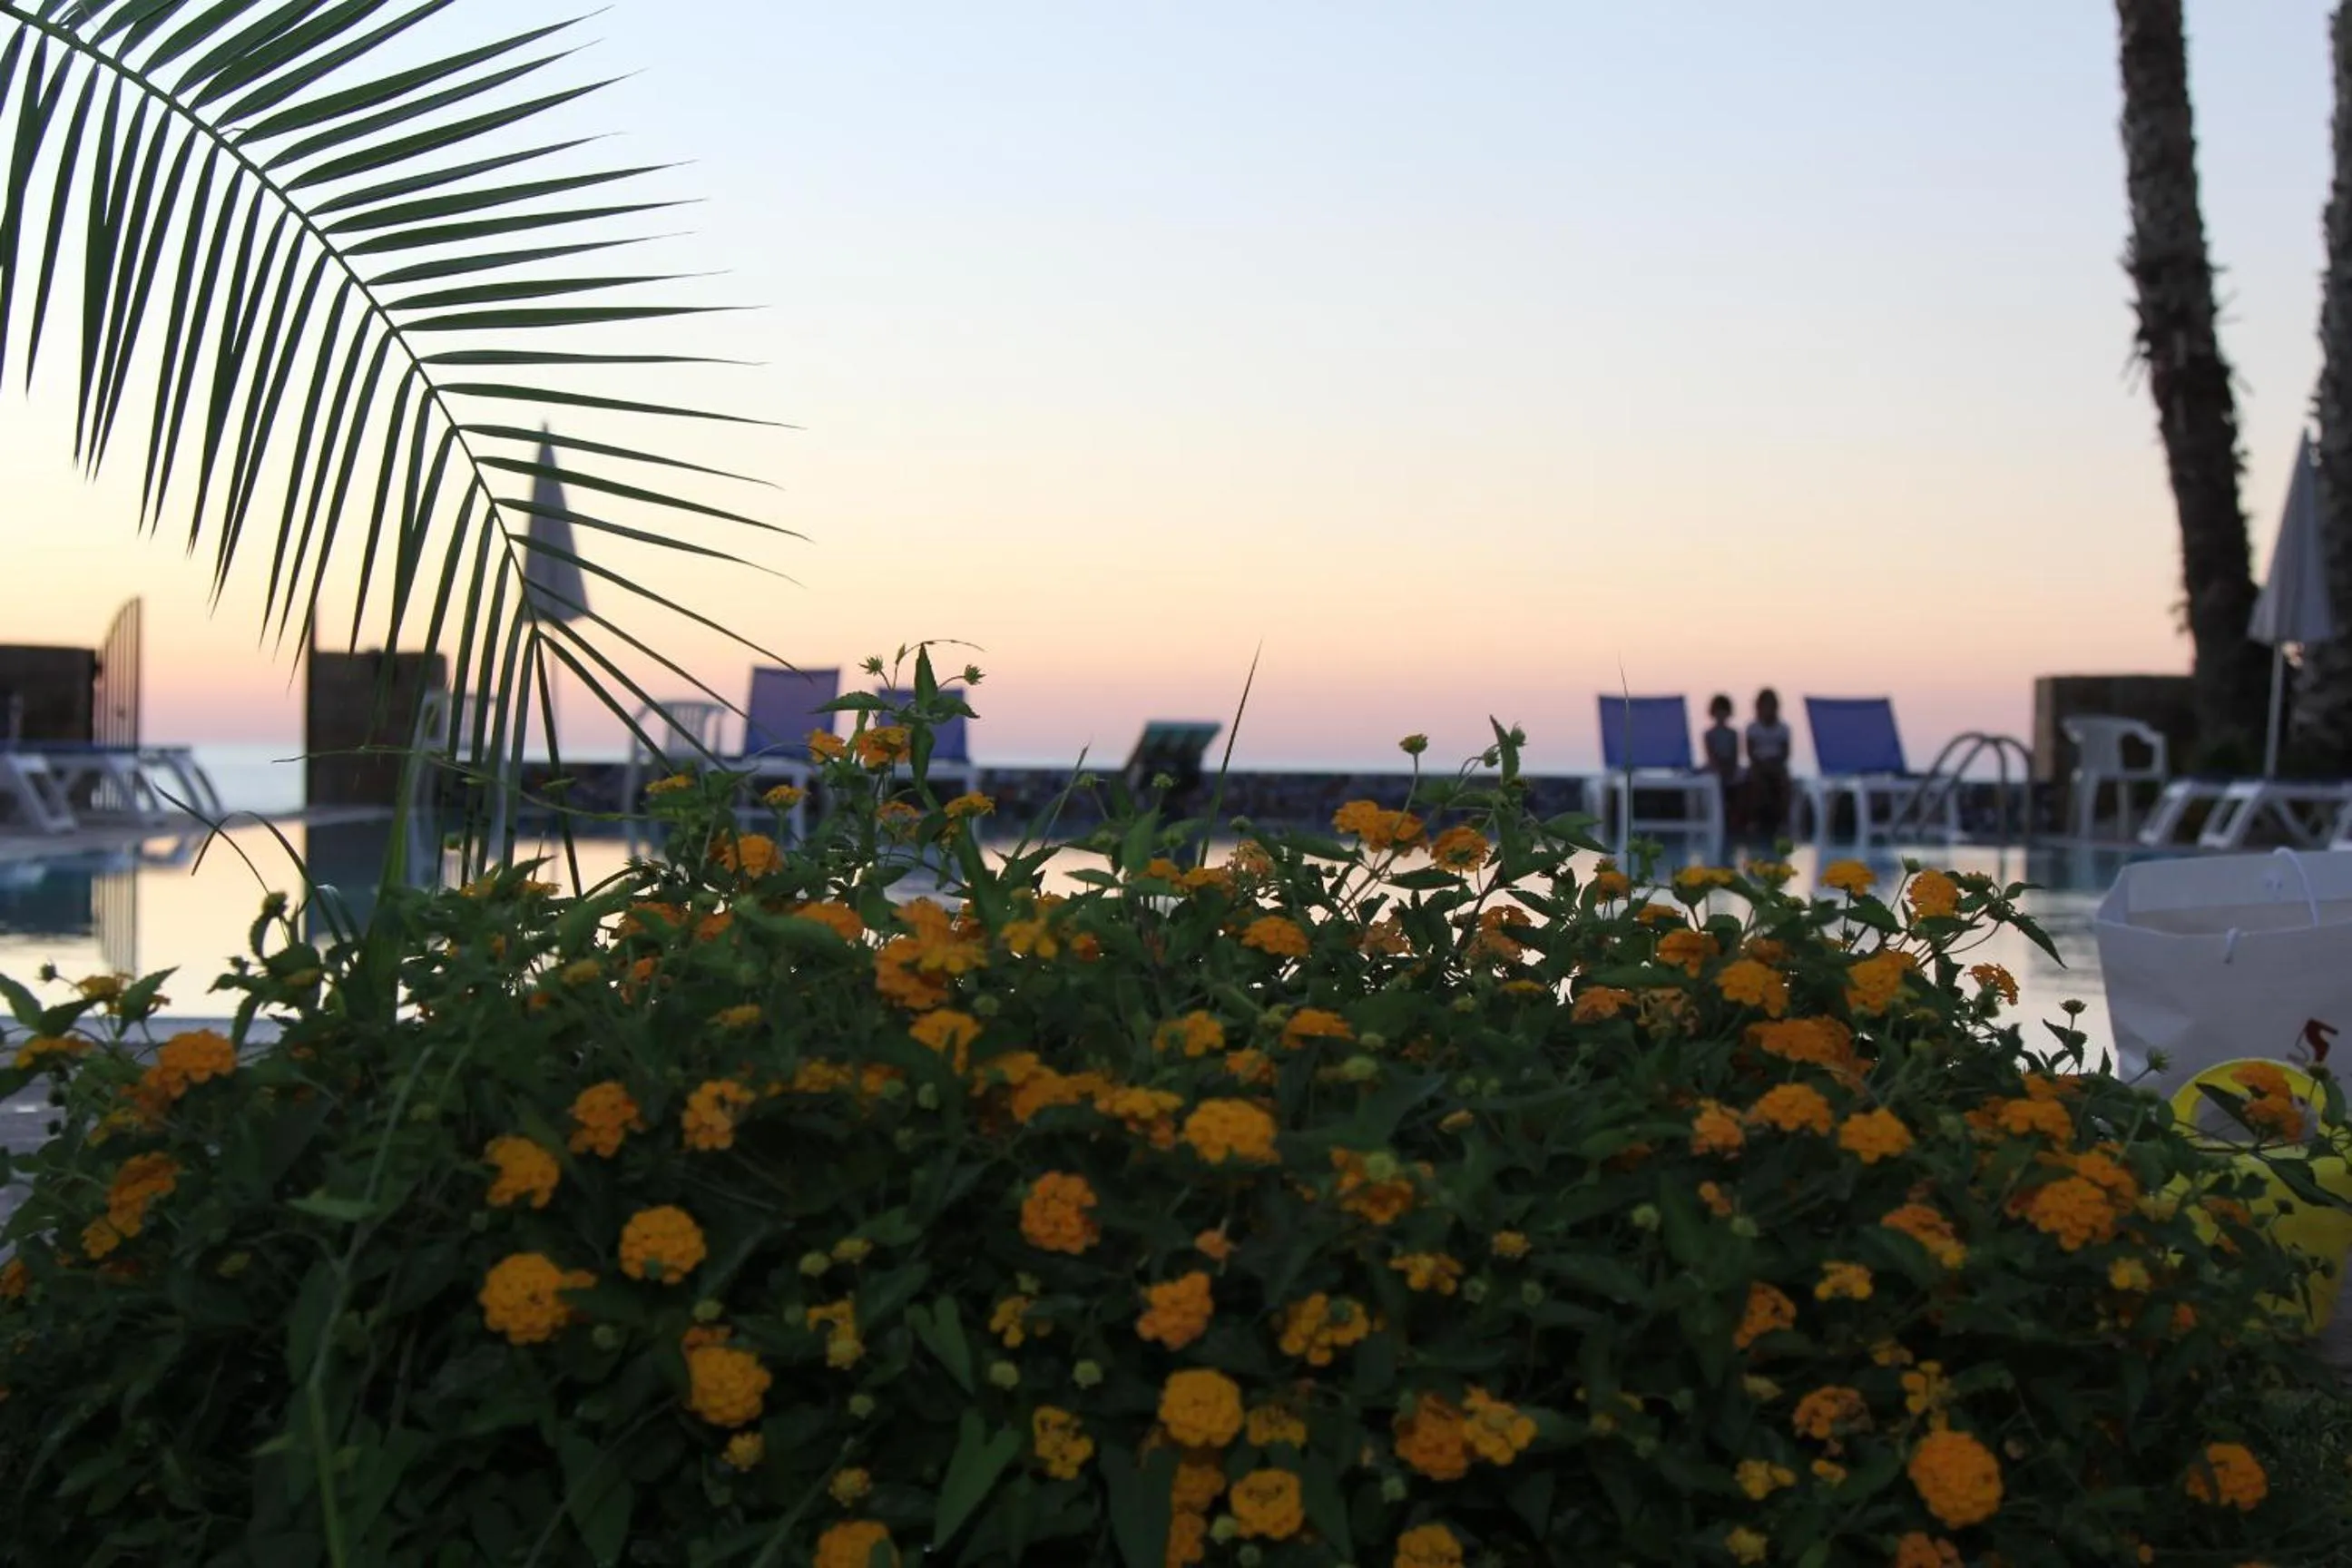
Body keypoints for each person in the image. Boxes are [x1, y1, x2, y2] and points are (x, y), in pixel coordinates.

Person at [1745, 688, 1793, 837]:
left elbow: (1785, 752)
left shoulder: (1783, 728)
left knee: (1784, 782)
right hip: (1758, 765)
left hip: (1777, 764)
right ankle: (1755, 820)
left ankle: (1783, 821)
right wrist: (1762, 764)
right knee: (1757, 781)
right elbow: (1750, 752)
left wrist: (1775, 763)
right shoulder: (1752, 728)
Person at [1701, 694, 1740, 818]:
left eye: (1723, 711)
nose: (1721, 714)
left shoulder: (1733, 734)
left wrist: (1729, 768)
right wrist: (1719, 767)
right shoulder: (1708, 734)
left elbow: (1735, 754)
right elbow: (1710, 754)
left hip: (1730, 767)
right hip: (1714, 767)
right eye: (1718, 711)